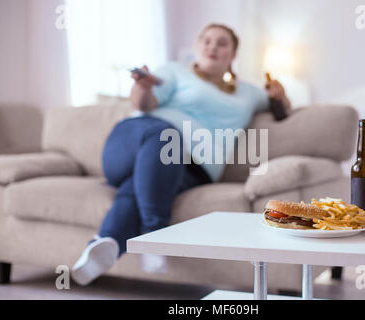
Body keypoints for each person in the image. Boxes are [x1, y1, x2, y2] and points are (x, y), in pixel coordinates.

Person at [70, 23, 291, 286]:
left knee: (143, 181)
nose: (212, 47)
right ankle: (155, 235)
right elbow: (144, 104)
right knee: (167, 135)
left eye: (222, 43)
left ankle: (104, 244)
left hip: (190, 168)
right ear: (197, 47)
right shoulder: (174, 73)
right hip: (133, 141)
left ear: (232, 56)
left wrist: (281, 94)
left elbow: (281, 109)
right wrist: (143, 87)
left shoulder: (249, 93)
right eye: (206, 41)